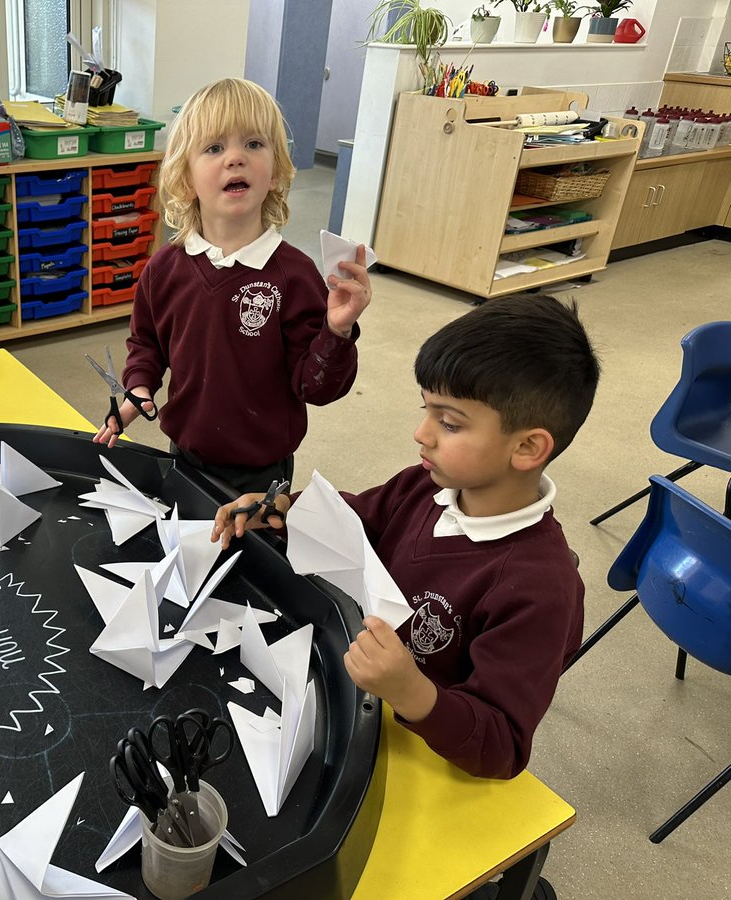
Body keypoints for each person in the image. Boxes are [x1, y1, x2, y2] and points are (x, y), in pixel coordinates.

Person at [211, 294, 601, 781]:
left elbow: (501, 747)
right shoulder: (426, 484)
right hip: (348, 696)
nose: (421, 433)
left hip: (421, 754)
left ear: (527, 447)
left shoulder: (540, 589)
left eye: (450, 422)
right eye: (427, 410)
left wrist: (412, 690)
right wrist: (287, 507)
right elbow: (357, 520)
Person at [92, 78, 371, 495]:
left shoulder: (294, 276)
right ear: (185, 179)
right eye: (214, 148)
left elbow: (317, 388)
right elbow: (147, 344)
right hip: (184, 454)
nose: (236, 158)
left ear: (276, 172)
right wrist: (138, 388)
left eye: (254, 144)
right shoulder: (163, 269)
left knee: (250, 557)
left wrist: (338, 331)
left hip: (263, 471)